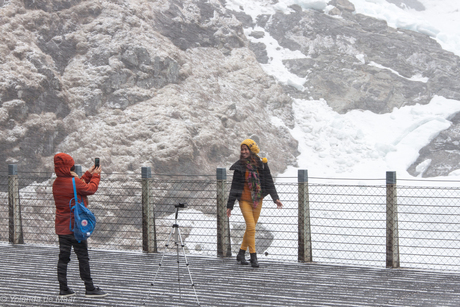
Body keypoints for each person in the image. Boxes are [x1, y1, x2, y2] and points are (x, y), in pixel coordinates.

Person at [52, 153, 108, 298]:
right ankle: (89, 288)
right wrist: (96, 176)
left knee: (63, 258)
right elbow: (89, 189)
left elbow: (77, 186)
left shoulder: (57, 182)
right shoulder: (73, 182)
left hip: (62, 228)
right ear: (68, 166)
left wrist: (88, 173)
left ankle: (63, 288)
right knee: (82, 256)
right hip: (76, 228)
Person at [226, 139, 283, 268]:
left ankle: (241, 253)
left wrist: (276, 198)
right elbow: (234, 187)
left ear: (252, 150)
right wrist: (229, 206)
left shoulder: (261, 164)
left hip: (257, 200)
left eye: (246, 149)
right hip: (244, 201)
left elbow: (269, 181)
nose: (244, 151)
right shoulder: (240, 166)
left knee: (250, 228)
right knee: (251, 227)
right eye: (242, 149)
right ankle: (253, 256)